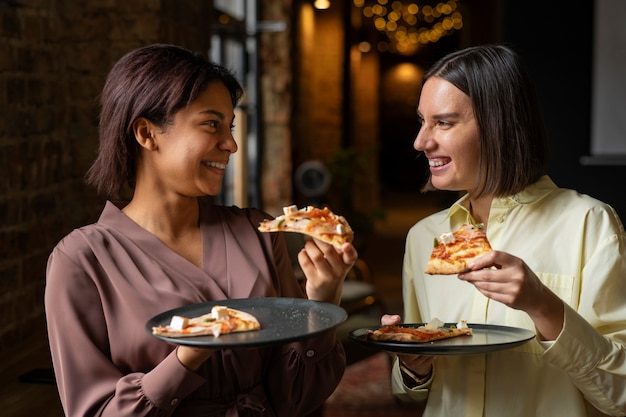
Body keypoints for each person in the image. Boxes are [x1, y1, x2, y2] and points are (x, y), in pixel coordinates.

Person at [44, 43, 357, 417]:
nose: (231, 144)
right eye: (212, 124)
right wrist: (188, 355)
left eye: (231, 126)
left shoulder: (255, 232)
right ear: (147, 133)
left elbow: (299, 398)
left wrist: (321, 301)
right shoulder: (82, 260)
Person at [382, 44, 626, 416]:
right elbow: (413, 393)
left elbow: (620, 396)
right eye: (422, 121)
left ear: (499, 125)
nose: (420, 142)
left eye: (443, 122)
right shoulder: (423, 238)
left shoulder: (589, 224)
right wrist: (414, 365)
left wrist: (543, 305)